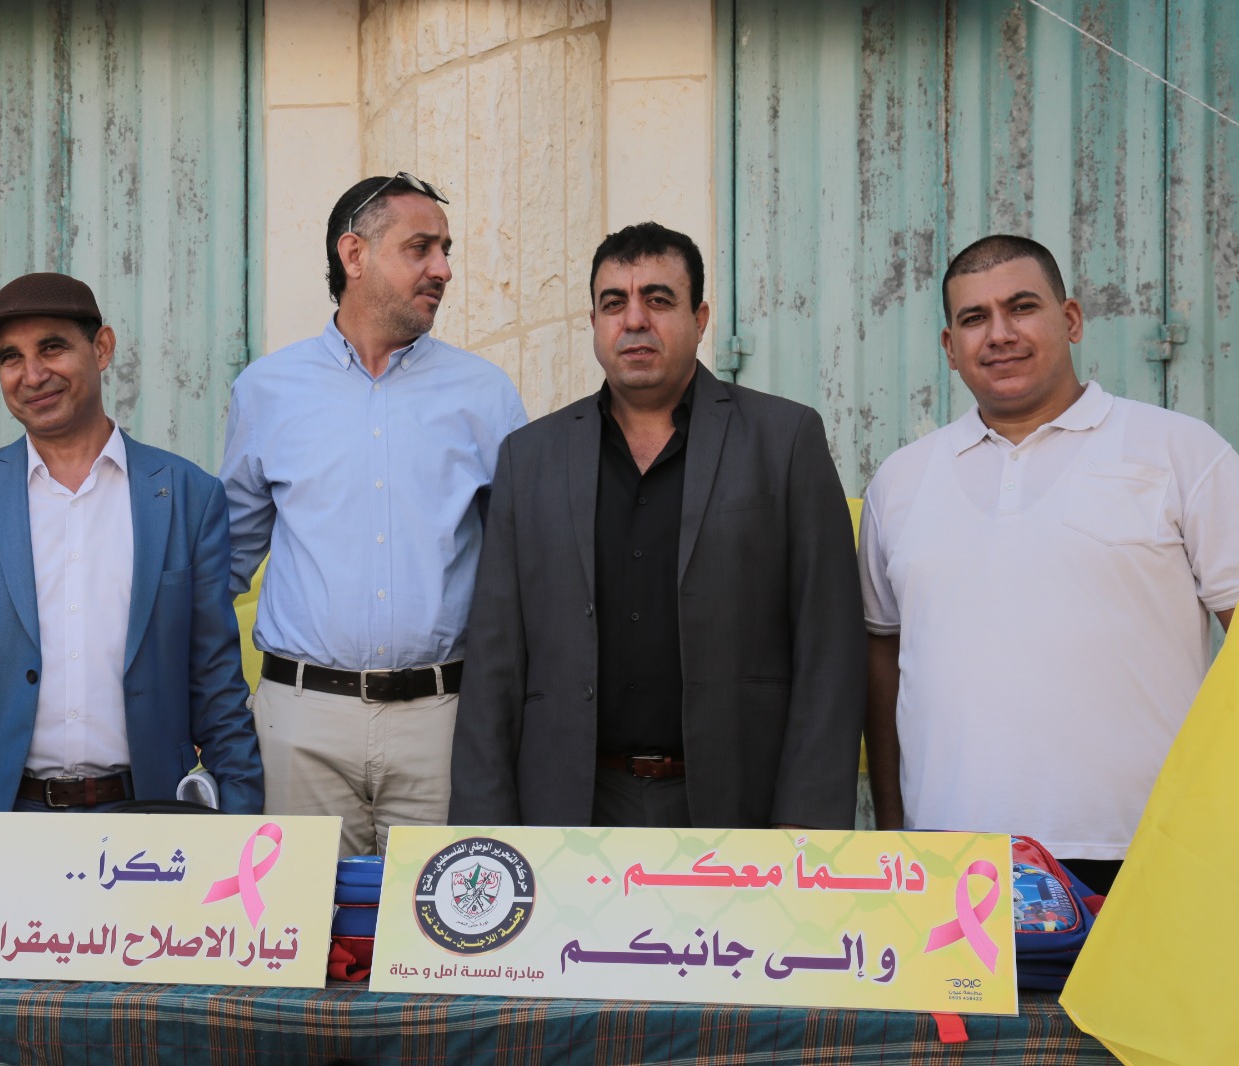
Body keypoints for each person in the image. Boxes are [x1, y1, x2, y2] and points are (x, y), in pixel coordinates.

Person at [450, 222, 866, 829]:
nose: (635, 320)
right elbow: (494, 662)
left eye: (659, 299)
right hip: (571, 808)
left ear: (701, 319)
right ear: (594, 323)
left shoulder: (785, 441)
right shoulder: (530, 458)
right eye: (613, 303)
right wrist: (485, 829)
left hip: (737, 807)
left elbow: (830, 649)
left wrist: (805, 828)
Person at [860, 234, 1239, 893]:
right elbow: (882, 659)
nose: (999, 334)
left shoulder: (1181, 452)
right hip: (952, 864)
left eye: (1022, 307)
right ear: (950, 347)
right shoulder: (901, 481)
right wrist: (895, 829)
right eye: (974, 318)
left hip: (1149, 855)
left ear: (1070, 319)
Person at [221, 173, 527, 855]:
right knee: (301, 918)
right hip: (299, 729)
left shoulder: (486, 395)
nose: (443, 269)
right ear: (354, 255)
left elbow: (522, 569)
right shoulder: (266, 391)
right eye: (421, 248)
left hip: (444, 726)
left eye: (445, 250)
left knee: (441, 918)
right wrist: (212, 712)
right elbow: (226, 565)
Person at [0, 272, 262, 813]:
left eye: (52, 348)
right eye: (10, 357)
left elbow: (215, 681)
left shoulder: (189, 495)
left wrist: (240, 818)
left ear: (102, 348)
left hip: (146, 813)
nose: (32, 374)